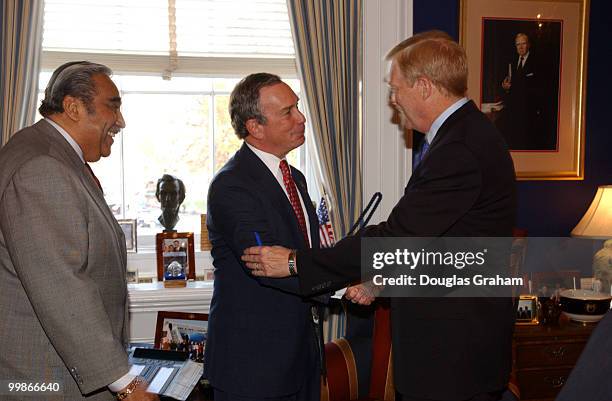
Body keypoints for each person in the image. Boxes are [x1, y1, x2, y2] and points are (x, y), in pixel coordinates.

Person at [243, 33, 517, 401]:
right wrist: (381, 281)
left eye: (395, 89)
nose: (392, 100)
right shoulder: (460, 136)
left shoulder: (460, 148)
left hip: (453, 358)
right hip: (451, 353)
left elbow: (398, 235)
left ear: (423, 86)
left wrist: (296, 263)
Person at [0, 61, 157, 400]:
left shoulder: (51, 154)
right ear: (72, 107)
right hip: (47, 379)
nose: (121, 121)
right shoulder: (41, 167)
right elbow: (62, 285)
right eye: (112, 106)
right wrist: (125, 383)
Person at [203, 72, 326, 401]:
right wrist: (342, 282)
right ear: (254, 127)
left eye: (297, 107)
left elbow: (304, 252)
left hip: (301, 360)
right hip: (253, 368)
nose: (301, 118)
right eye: (288, 112)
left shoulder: (294, 177)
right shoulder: (232, 186)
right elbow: (266, 263)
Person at [495, 32, 553, 150]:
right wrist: (504, 86)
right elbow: (506, 83)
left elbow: (541, 88)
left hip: (529, 113)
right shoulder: (511, 61)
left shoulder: (537, 62)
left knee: (527, 145)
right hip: (513, 112)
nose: (521, 47)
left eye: (523, 44)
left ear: (529, 45)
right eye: (518, 44)